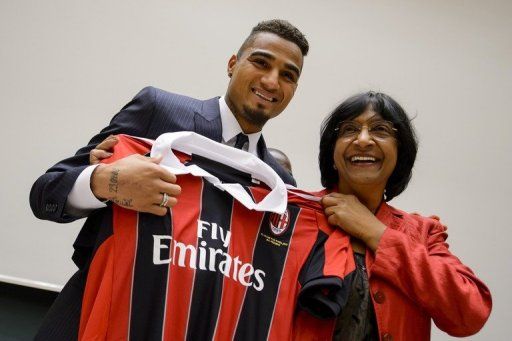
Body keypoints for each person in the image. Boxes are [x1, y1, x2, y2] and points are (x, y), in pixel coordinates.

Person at [30, 19, 309, 340]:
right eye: (261, 62)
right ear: (233, 64)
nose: (272, 81)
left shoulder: (281, 185)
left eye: (288, 75)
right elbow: (45, 192)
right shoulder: (158, 111)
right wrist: (104, 182)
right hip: (97, 319)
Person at [310, 91, 492, 340]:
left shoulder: (423, 233)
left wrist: (376, 233)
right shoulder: (296, 214)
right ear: (332, 151)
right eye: (349, 129)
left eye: (380, 130)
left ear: (400, 153)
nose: (363, 140)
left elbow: (470, 314)